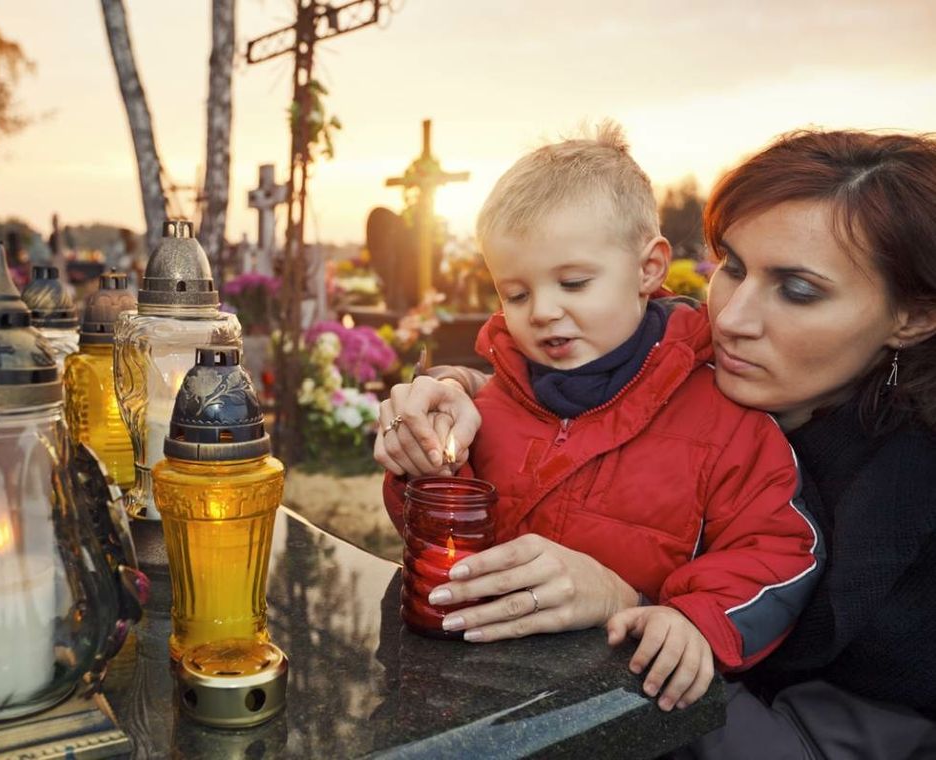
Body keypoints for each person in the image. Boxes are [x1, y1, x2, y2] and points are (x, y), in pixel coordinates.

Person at [376, 128, 936, 758]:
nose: (731, 317)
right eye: (731, 266)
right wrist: (442, 423)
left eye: (798, 290)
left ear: (913, 316)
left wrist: (637, 612)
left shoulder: (905, 507)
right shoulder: (684, 377)